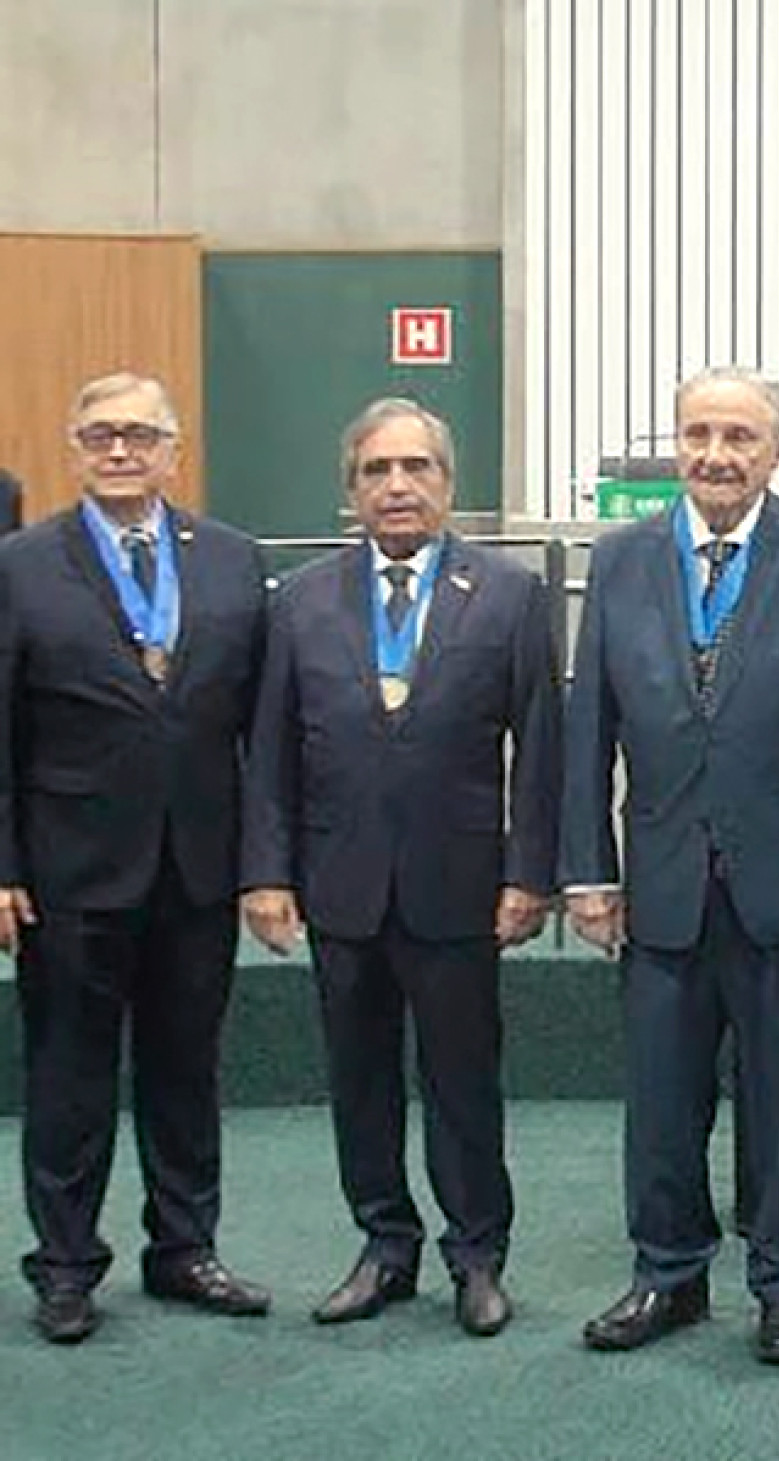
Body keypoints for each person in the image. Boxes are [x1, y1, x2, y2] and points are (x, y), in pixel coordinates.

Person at [565, 367, 779, 1367]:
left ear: (776, 450)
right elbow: (590, 730)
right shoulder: (618, 561)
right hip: (659, 885)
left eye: (739, 436)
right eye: (699, 433)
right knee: (660, 1101)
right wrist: (588, 868)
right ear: (676, 443)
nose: (716, 454)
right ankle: (667, 1274)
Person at [241, 398, 560, 1338]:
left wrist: (530, 872)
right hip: (340, 889)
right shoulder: (297, 600)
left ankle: (477, 1256)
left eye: (416, 467)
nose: (397, 485)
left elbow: (539, 749)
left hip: (460, 888)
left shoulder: (508, 596)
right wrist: (267, 872)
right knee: (361, 1079)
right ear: (351, 491)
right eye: (377, 469)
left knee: (465, 1082)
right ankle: (385, 1245)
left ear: (447, 483)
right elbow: (269, 752)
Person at [0, 372, 271, 1343]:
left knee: (186, 1068)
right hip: (68, 872)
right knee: (69, 1074)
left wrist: (263, 860)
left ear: (173, 448)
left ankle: (184, 1249)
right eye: (101, 435)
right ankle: (66, 1266)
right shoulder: (21, 565)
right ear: (74, 447)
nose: (120, 451)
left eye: (139, 435)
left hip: (197, 865)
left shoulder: (234, 563)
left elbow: (261, 730)